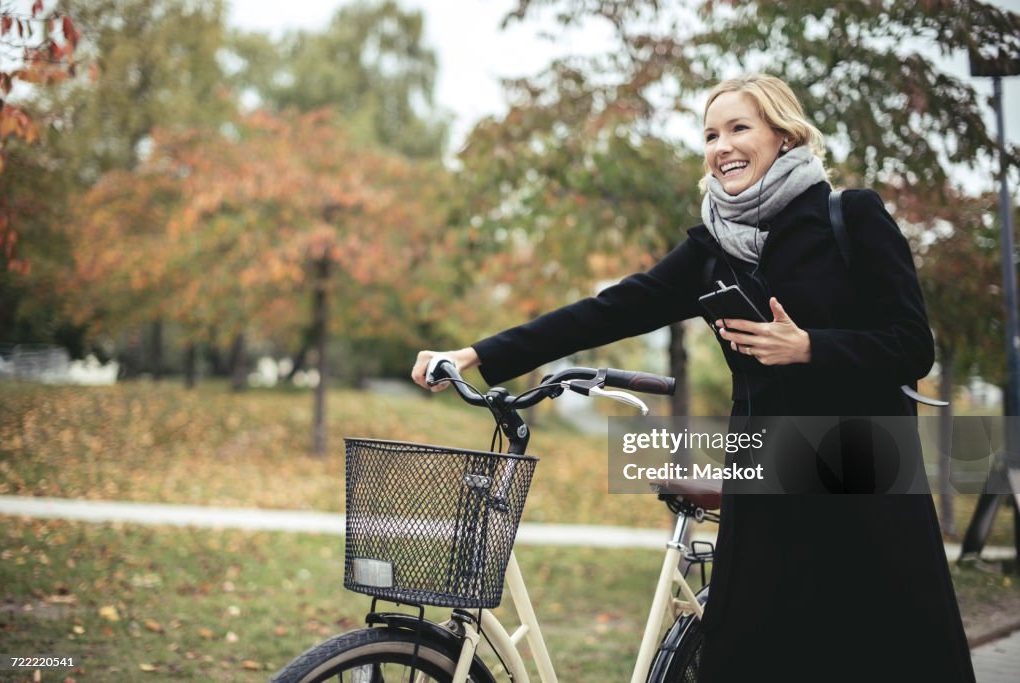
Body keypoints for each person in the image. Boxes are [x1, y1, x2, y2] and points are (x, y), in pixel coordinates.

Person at [411, 74, 975, 682]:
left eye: (739, 128)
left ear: (784, 137)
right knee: (750, 659)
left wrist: (810, 346)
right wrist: (477, 353)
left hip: (863, 481)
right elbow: (607, 310)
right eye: (711, 134)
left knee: (878, 655)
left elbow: (912, 346)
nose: (721, 145)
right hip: (767, 480)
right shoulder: (711, 251)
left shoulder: (851, 218)